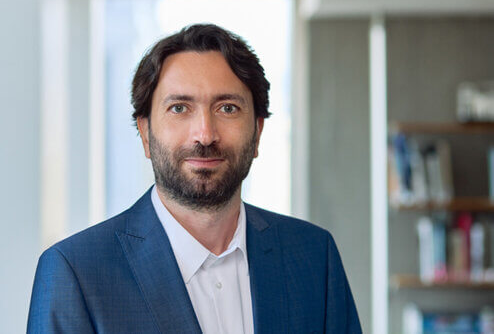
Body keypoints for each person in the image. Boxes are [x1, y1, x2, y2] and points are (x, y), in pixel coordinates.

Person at [27, 23, 361, 333]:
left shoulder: (315, 257)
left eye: (227, 108)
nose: (204, 134)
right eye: (179, 108)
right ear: (145, 133)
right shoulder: (75, 272)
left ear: (257, 132)